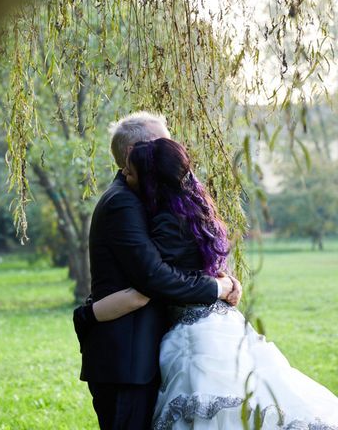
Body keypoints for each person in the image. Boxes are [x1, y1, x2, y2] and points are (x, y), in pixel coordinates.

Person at [84, 137, 338, 428]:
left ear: (152, 179)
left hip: (195, 330)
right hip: (223, 321)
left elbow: (155, 279)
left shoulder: (165, 221)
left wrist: (90, 314)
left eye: (130, 171)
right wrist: (223, 282)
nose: (124, 175)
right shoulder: (196, 208)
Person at [73, 112, 241, 430]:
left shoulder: (155, 201)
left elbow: (186, 255)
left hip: (148, 355)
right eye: (165, 140)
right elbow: (155, 277)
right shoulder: (123, 203)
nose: (172, 148)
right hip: (127, 363)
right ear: (137, 151)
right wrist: (216, 288)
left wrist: (226, 279)